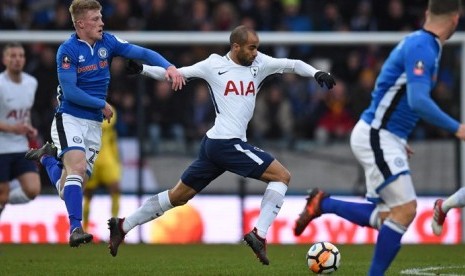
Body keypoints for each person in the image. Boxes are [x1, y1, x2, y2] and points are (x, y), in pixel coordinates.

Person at [107, 25, 336, 264]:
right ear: (236, 47)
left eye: (257, 47)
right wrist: (144, 70)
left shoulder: (260, 63)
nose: (256, 52)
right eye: (251, 47)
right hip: (226, 143)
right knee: (281, 176)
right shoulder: (213, 65)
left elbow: (292, 64)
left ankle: (123, 225)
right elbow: (177, 74)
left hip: (214, 145)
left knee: (177, 197)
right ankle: (259, 234)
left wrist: (316, 72)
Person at [293, 1, 464, 275]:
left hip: (383, 135)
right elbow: (418, 100)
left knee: (389, 217)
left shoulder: (421, 44)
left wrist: (397, 133)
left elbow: (390, 91)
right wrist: (457, 128)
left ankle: (323, 203)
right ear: (456, 20)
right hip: (378, 135)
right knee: (406, 210)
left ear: (427, 13)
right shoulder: (423, 46)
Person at [24, 0, 183, 248]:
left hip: (94, 124)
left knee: (70, 187)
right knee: (76, 169)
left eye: (100, 17)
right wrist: (101, 103)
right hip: (70, 118)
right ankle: (75, 228)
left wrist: (168, 66)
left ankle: (46, 159)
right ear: (81, 24)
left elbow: (142, 52)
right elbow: (70, 91)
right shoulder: (67, 50)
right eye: (96, 19)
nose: (102, 22)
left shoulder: (107, 42)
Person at [0, 42, 41, 218]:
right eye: (13, 56)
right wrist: (13, 128)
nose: (17, 59)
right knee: (2, 193)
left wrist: (29, 128)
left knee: (33, 189)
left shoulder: (31, 83)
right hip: (1, 148)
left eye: (21, 56)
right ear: (4, 59)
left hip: (20, 147)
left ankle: (4, 199)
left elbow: (24, 113)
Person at [83, 111, 121, 232]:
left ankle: (115, 228)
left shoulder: (109, 108)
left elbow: (109, 122)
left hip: (107, 158)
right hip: (91, 158)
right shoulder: (86, 106)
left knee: (115, 188)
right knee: (88, 194)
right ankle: (85, 228)